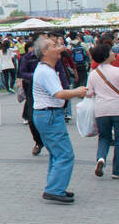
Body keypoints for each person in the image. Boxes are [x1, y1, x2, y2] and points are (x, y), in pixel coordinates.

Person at [31, 37, 90, 204]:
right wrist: (78, 91)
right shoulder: (45, 71)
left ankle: (55, 186)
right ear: (44, 52)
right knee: (65, 154)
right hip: (49, 115)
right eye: (54, 46)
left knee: (57, 154)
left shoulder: (47, 69)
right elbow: (59, 94)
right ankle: (54, 189)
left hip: (47, 115)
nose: (59, 49)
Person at [85, 43, 119, 179]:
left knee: (104, 137)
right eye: (112, 52)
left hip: (101, 110)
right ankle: (118, 171)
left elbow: (89, 93)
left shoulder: (93, 74)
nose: (115, 54)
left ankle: (101, 158)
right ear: (107, 56)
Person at [18, 34, 46, 156]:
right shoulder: (27, 57)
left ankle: (50, 141)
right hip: (31, 87)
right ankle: (38, 142)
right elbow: (22, 72)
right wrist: (36, 77)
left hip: (48, 89)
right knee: (31, 117)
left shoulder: (50, 56)